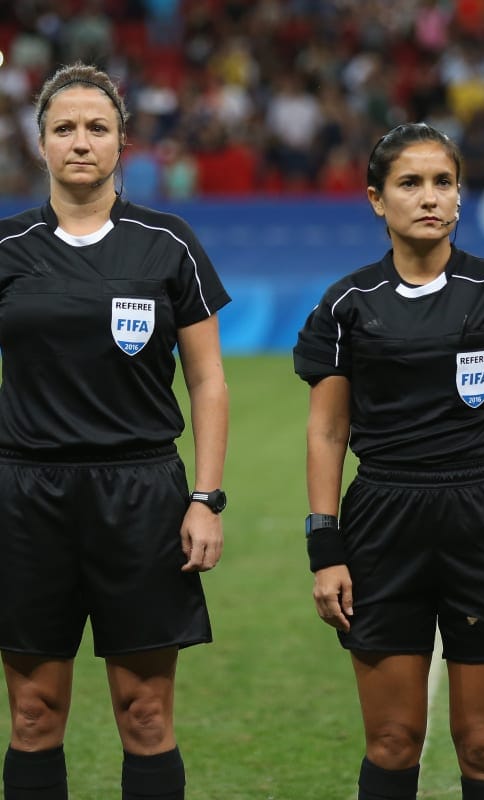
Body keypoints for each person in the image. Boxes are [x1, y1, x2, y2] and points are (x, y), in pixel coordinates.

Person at [293, 122, 484, 800]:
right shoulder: (348, 303)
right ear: (376, 200)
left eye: (443, 182)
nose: (430, 197)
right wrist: (325, 548)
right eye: (410, 183)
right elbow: (327, 431)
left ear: (460, 196)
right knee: (392, 741)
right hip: (383, 520)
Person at [0, 62, 230, 800]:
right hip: (25, 497)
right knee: (34, 716)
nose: (80, 142)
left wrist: (206, 497)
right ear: (39, 144)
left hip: (142, 496)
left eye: (97, 128)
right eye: (63, 128)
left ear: (123, 142)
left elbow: (207, 382)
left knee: (146, 713)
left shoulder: (169, 243)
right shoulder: (6, 250)